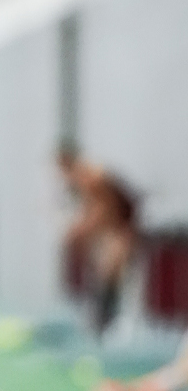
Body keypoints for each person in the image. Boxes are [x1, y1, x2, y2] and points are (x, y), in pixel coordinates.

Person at [57, 143, 140, 336]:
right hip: (113, 230)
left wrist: (82, 229)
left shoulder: (92, 177)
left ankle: (110, 326)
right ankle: (102, 325)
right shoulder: (86, 180)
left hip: (123, 230)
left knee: (111, 277)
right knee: (101, 276)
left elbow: (105, 212)